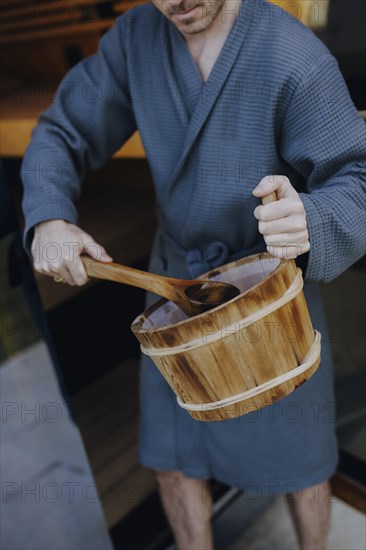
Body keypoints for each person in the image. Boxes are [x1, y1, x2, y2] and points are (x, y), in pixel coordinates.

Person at [21, 0, 365, 548]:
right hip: (172, 295)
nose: (177, 2)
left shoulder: (292, 54)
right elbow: (64, 130)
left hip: (266, 293)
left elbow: (358, 176)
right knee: (172, 458)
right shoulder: (136, 38)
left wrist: (313, 218)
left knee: (303, 464)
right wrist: (50, 215)